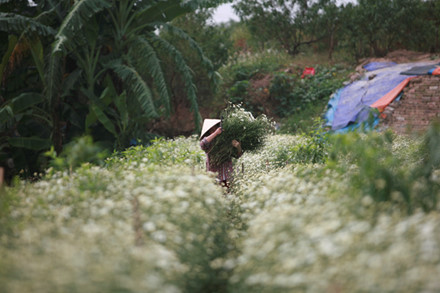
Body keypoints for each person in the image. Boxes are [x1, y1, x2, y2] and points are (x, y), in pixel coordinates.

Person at [199, 119, 242, 189]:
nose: (215, 130)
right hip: (214, 177)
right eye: (212, 129)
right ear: (209, 131)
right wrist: (215, 133)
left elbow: (238, 155)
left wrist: (238, 147)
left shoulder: (226, 141)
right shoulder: (209, 143)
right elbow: (202, 144)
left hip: (227, 177)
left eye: (216, 128)